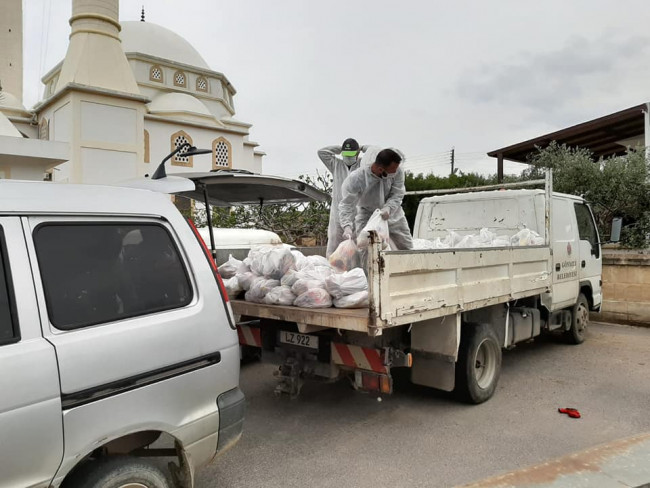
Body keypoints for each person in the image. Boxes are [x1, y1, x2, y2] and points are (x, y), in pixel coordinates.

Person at [338, 147, 413, 250]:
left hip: (393, 213)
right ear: (380, 169)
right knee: (366, 250)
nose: (395, 173)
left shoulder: (397, 171)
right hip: (367, 215)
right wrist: (346, 226)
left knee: (406, 247)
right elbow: (347, 204)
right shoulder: (357, 179)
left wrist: (388, 208)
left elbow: (397, 193)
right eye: (392, 171)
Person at [318, 138, 368, 256]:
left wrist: (362, 147)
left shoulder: (363, 165)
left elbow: (376, 153)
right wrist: (341, 149)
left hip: (358, 216)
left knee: (358, 250)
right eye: (346, 154)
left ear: (357, 153)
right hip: (337, 215)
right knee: (333, 248)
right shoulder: (336, 164)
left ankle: (357, 273)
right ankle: (331, 272)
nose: (348, 157)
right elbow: (321, 152)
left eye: (351, 154)